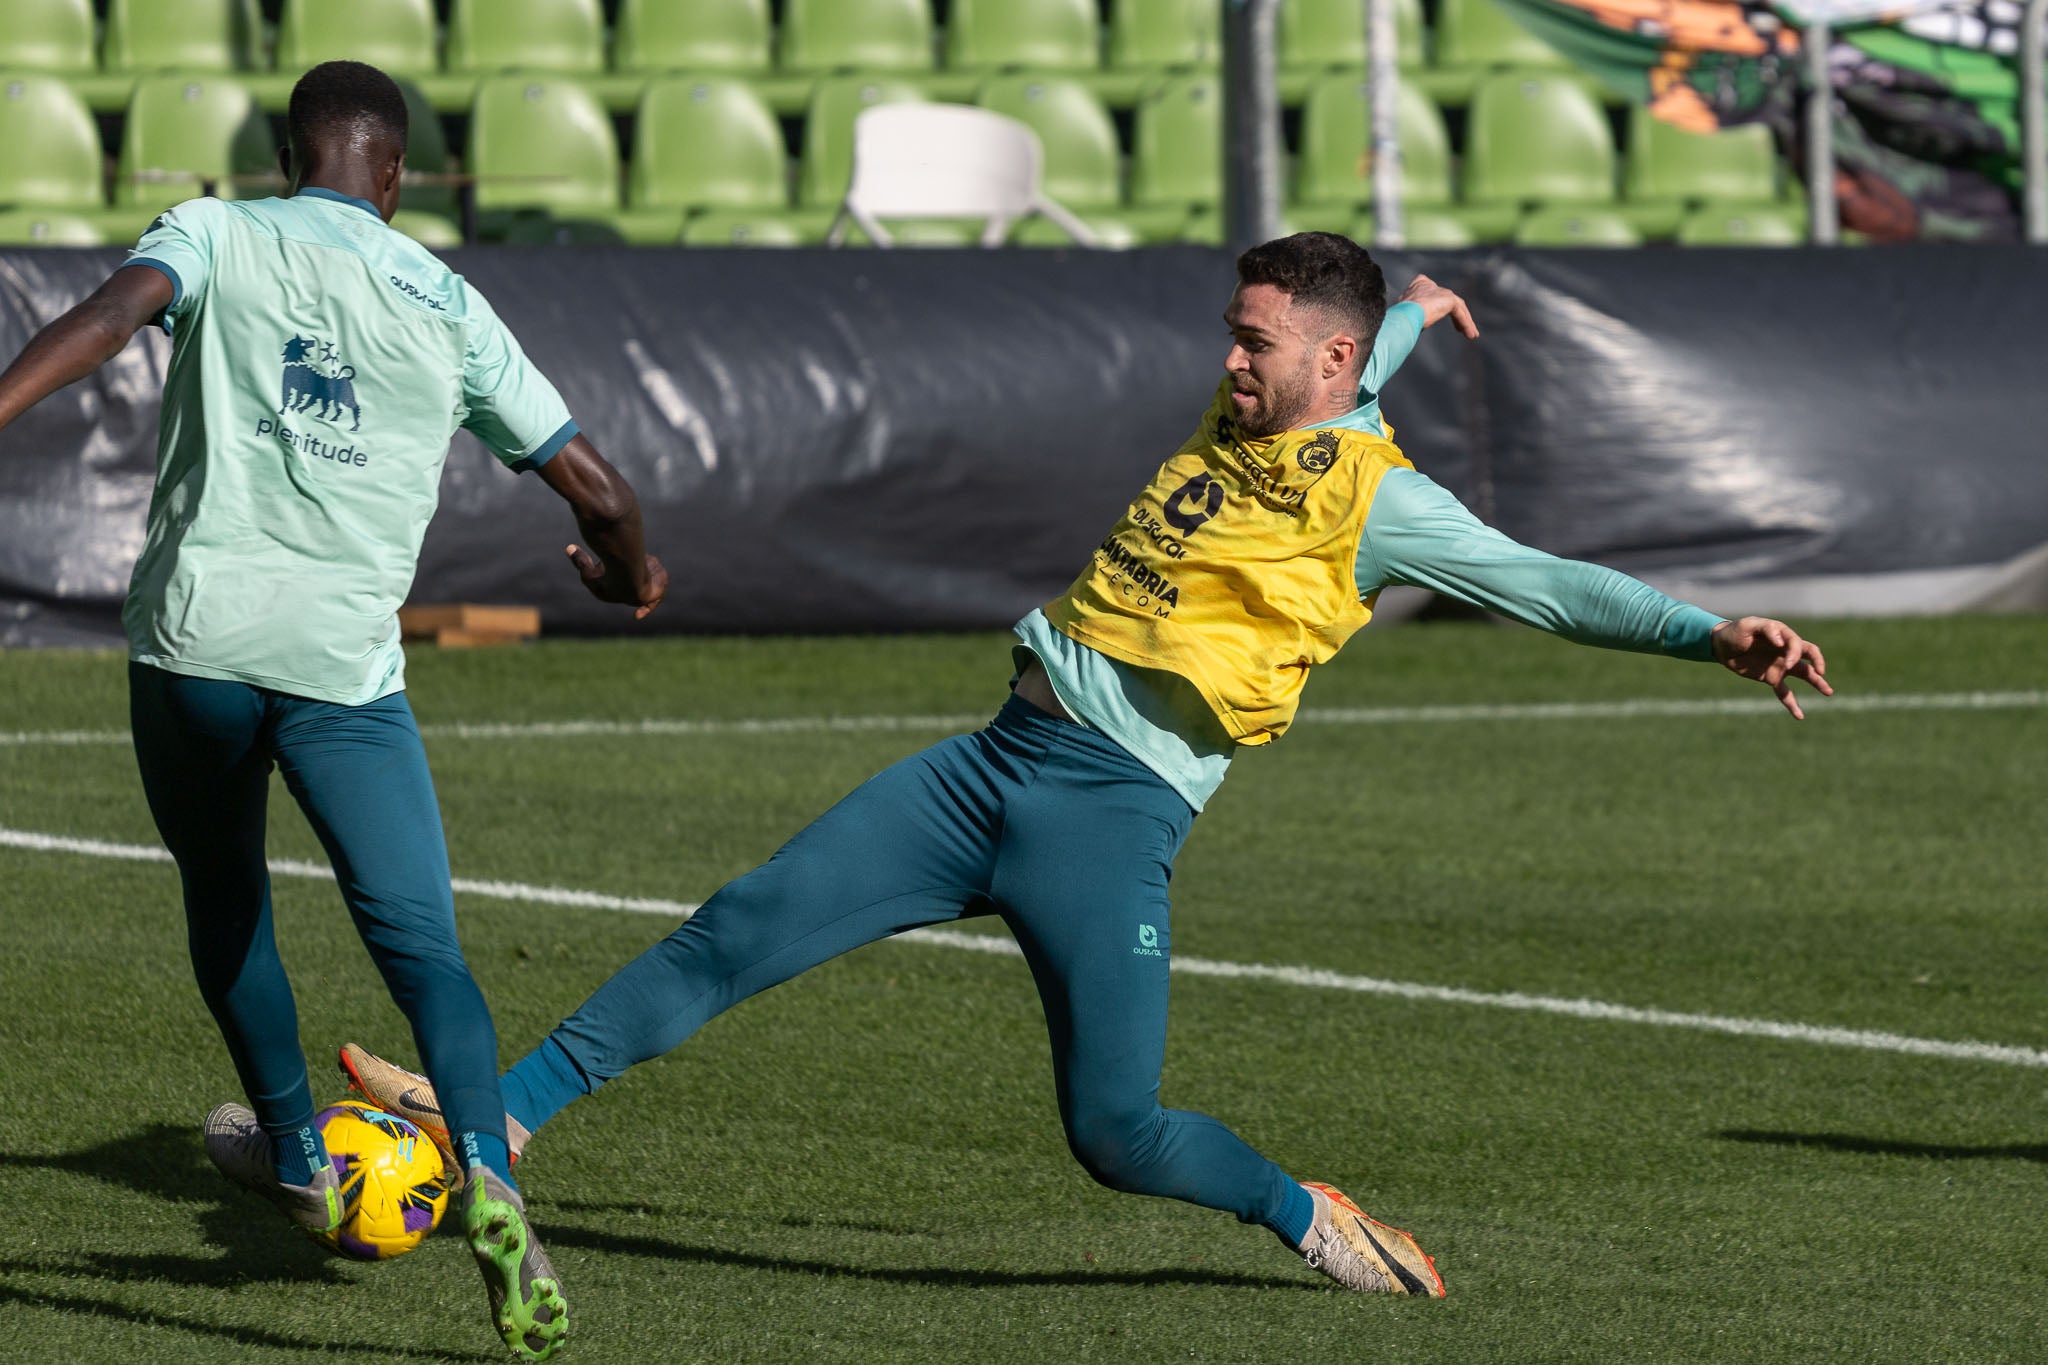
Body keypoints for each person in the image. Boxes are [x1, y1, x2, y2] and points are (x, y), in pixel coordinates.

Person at [343, 233, 1829, 1300]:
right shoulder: (1273, 390)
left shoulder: (1384, 501)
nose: (1228, 360)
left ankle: (1300, 1211)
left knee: (1115, 1135)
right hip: (989, 765)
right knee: (738, 925)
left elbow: (1550, 582)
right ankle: (495, 1122)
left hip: (1111, 821)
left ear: (1324, 363)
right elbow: (1366, 339)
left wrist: (1716, 635)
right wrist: (1423, 306)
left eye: (1256, 342)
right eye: (1232, 334)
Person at [0, 61, 667, 1361]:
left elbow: (102, 317)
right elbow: (597, 480)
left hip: (194, 649)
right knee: (427, 952)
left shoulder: (215, 230)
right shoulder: (450, 301)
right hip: (343, 675)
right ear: (397, 174)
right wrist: (627, 571)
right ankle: (489, 1176)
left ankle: (302, 1156)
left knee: (226, 892)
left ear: (289, 153)